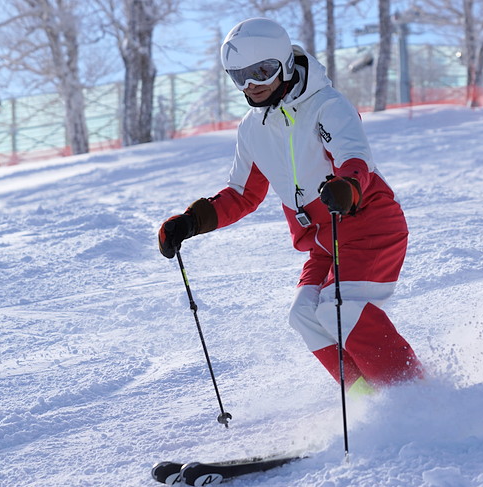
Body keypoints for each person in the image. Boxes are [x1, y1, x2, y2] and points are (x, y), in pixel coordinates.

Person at [157, 18, 424, 394]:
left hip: (367, 224)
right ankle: (370, 399)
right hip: (321, 241)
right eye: (240, 77)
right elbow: (242, 194)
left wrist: (346, 186)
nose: (253, 85)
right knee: (304, 315)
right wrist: (191, 221)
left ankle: (414, 395)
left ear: (283, 63)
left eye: (262, 71)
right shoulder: (253, 128)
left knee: (340, 307)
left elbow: (354, 159)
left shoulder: (327, 105)